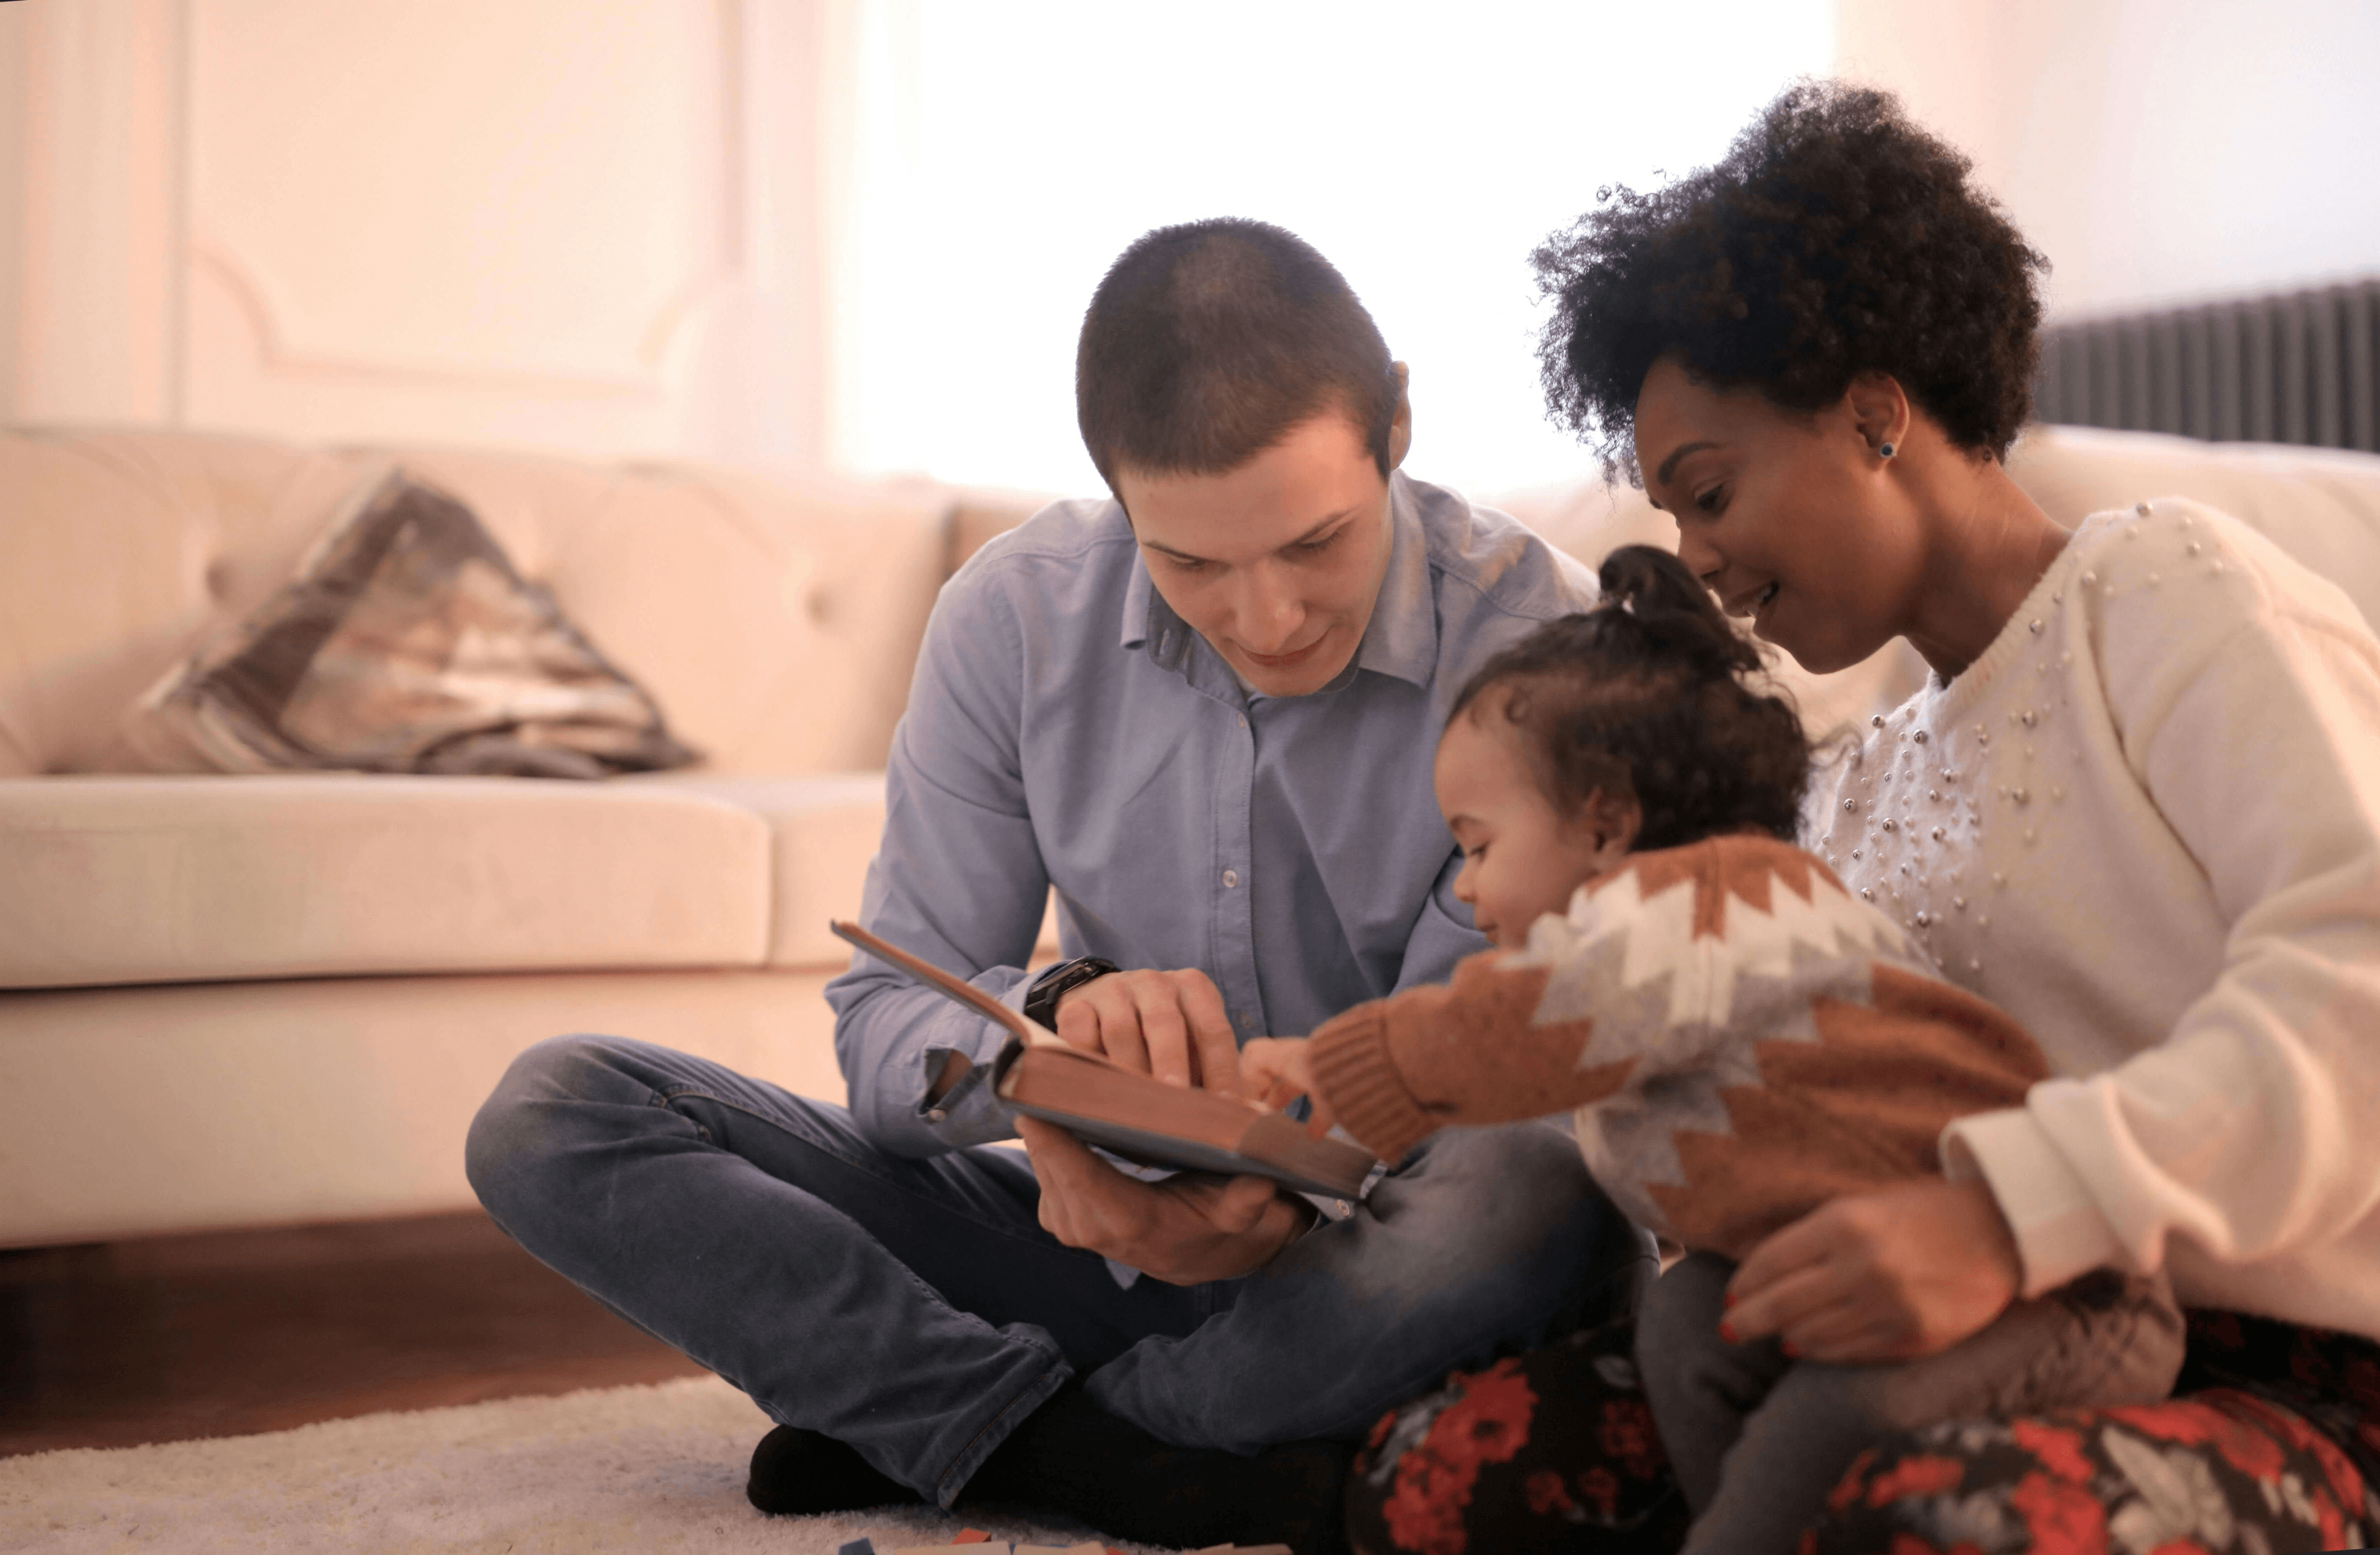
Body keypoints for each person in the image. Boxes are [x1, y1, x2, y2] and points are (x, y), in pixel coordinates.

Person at [464, 217, 1652, 1553]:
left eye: (1316, 542)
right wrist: (1043, 1057)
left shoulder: (1548, 645)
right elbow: (884, 1036)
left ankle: (979, 1426)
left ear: (1398, 429)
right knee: (559, 1114)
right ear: (1115, 495)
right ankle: (1089, 1452)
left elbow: (1509, 1074)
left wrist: (1278, 1199)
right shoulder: (1013, 618)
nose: (1269, 620)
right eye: (1192, 561)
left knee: (1544, 1196)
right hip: (1088, 1242)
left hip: (1385, 1261)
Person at [1342, 81, 2380, 1555]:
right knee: (1446, 1478)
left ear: (1877, 412)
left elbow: (2360, 982)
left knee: (1913, 1517)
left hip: (2304, 1366)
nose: (1696, 561)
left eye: (1710, 493)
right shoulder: (1855, 774)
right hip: (1946, 1343)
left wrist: (2004, 1216)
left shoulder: (2164, 594)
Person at [1241, 543, 2186, 1555]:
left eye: (1477, 846)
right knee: (1692, 1316)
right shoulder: (1681, 956)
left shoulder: (1707, 910)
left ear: (1606, 827)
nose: (1465, 889)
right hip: (1865, 1283)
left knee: (1832, 1423)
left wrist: (1347, 1065)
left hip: (2064, 1298)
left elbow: (1525, 1018)